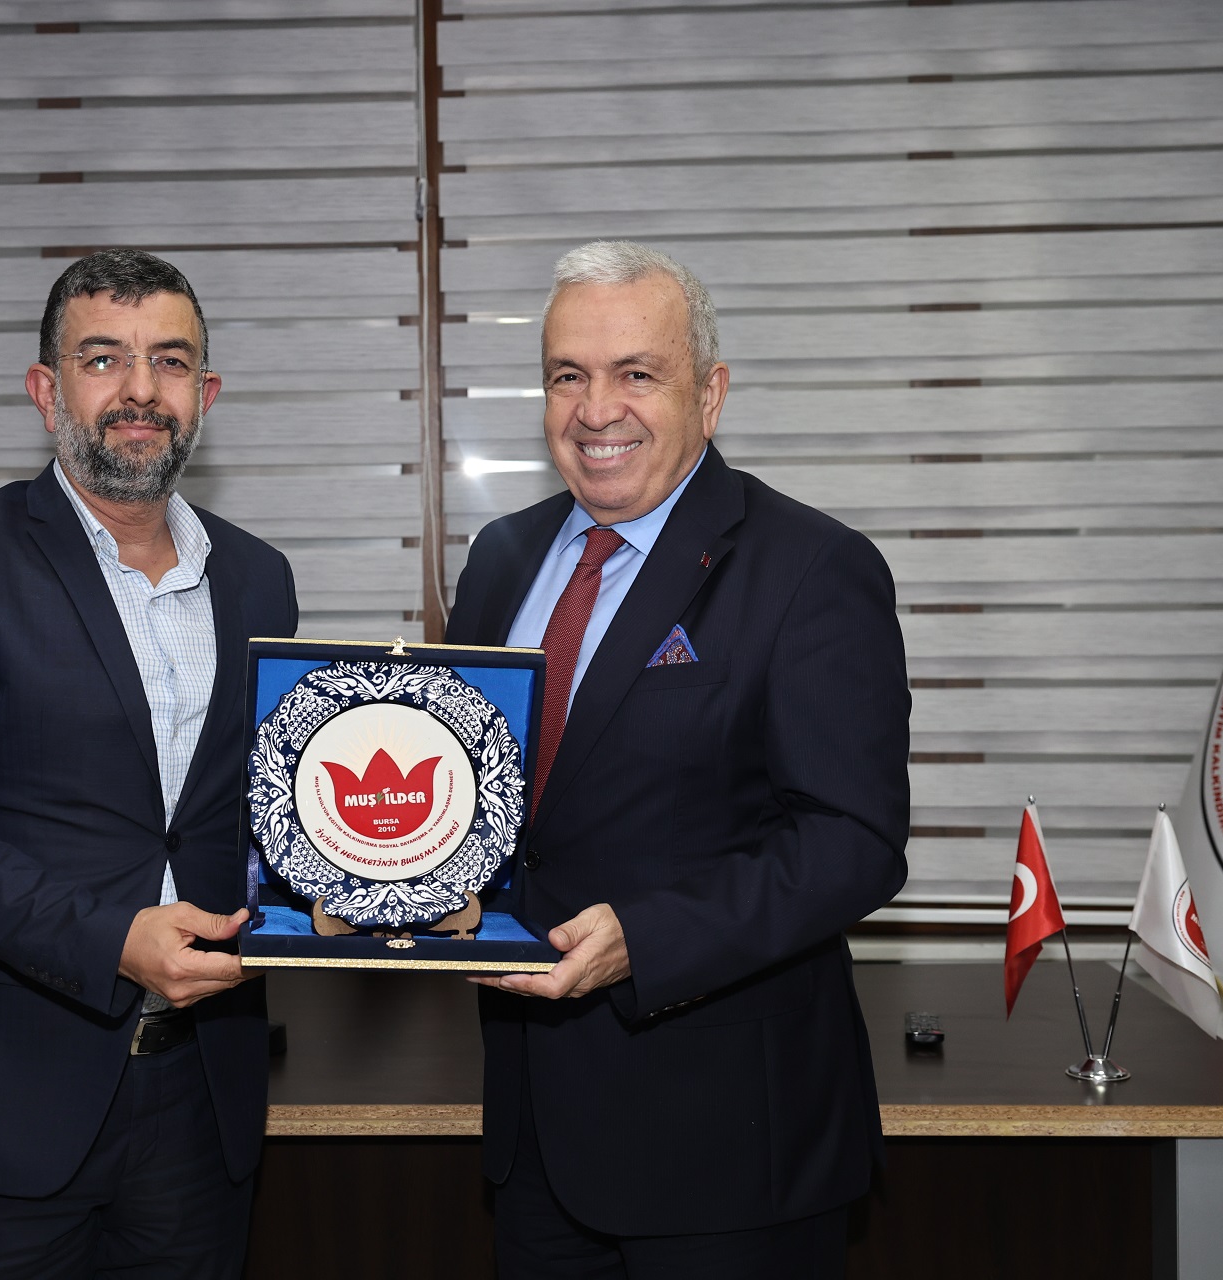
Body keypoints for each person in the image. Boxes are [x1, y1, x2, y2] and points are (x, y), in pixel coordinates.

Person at [444, 241, 910, 1279]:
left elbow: (854, 841)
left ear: (710, 392)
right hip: (534, 1142)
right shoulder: (501, 560)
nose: (596, 409)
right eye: (568, 375)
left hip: (730, 1156)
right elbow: (484, 801)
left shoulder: (812, 567)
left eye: (637, 373)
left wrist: (645, 940)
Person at [0, 249, 298, 1279]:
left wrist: (373, 883)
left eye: (170, 361)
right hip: (6, 1099)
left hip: (202, 1096)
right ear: (46, 390)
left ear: (205, 394)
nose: (141, 389)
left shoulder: (258, 577)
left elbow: (266, 809)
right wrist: (114, 940)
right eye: (104, 359)